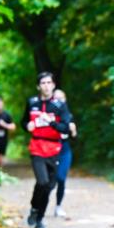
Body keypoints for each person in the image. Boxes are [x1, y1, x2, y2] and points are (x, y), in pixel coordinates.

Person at [21, 72, 73, 228]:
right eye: (43, 83)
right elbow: (24, 121)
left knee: (49, 186)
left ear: (53, 85)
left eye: (49, 82)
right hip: (37, 148)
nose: (46, 86)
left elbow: (66, 128)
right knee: (42, 181)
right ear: (38, 86)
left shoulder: (59, 106)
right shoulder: (32, 103)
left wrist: (52, 123)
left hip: (54, 149)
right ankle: (34, 209)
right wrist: (27, 126)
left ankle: (39, 219)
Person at [52, 89, 78, 219]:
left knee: (61, 179)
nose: (59, 101)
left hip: (65, 150)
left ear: (65, 100)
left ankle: (58, 206)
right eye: (56, 98)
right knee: (49, 181)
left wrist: (73, 131)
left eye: (61, 98)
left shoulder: (69, 116)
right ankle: (40, 205)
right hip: (50, 150)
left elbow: (74, 138)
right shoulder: (49, 116)